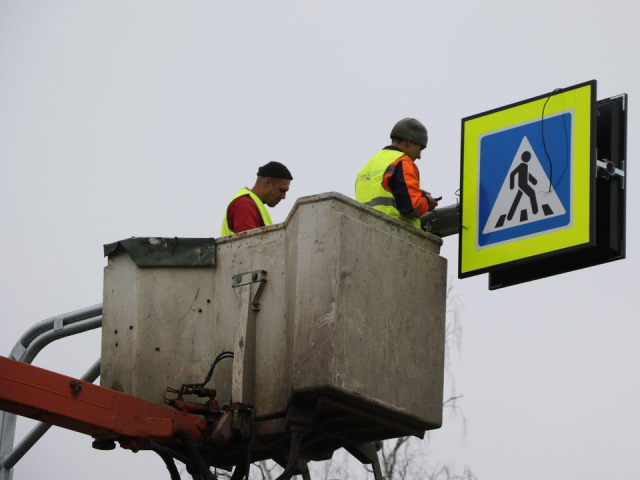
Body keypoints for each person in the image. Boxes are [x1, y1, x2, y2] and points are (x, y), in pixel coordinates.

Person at [355, 118, 440, 229]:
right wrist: (427, 201)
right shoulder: (403, 162)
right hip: (393, 233)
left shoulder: (367, 166)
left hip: (364, 232)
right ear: (409, 142)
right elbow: (412, 207)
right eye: (420, 149)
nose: (419, 156)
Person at [221, 161, 293, 236]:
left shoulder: (252, 205)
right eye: (282, 190)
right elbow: (249, 244)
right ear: (268, 182)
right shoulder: (245, 205)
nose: (284, 196)